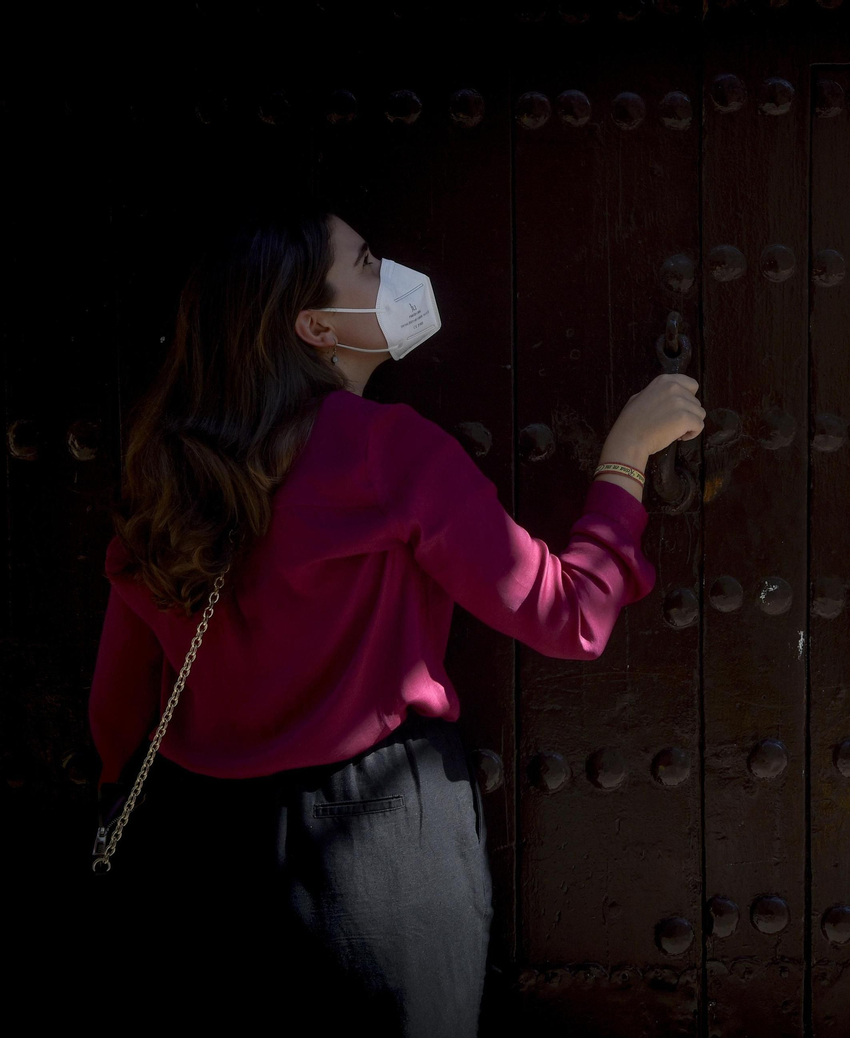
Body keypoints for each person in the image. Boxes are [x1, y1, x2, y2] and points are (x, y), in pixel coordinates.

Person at [84, 202, 704, 1036]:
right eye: (368, 262)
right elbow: (571, 616)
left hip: (197, 859)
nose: (397, 276)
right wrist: (627, 453)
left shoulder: (160, 465)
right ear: (315, 324)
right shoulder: (386, 450)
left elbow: (119, 711)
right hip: (376, 859)